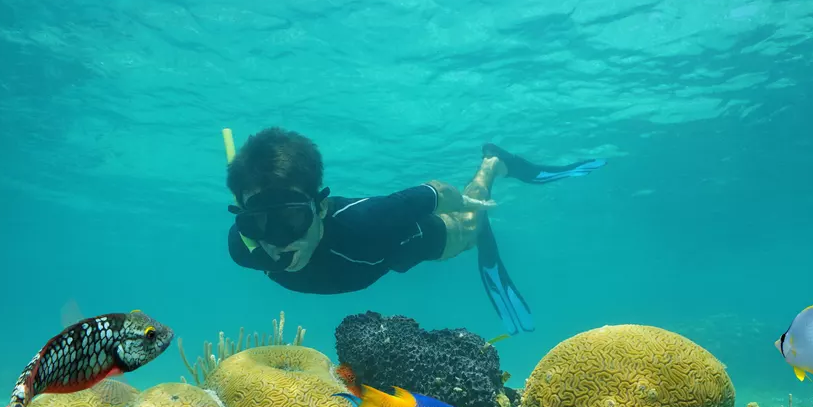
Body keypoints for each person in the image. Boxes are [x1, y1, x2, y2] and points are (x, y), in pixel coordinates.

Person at [224, 127, 605, 333]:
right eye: (257, 222)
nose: (277, 241)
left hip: (399, 241)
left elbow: (434, 192)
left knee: (469, 230)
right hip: (370, 262)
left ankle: (493, 163)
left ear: (319, 207)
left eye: (291, 219)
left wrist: (469, 204)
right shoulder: (244, 247)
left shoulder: (367, 221)